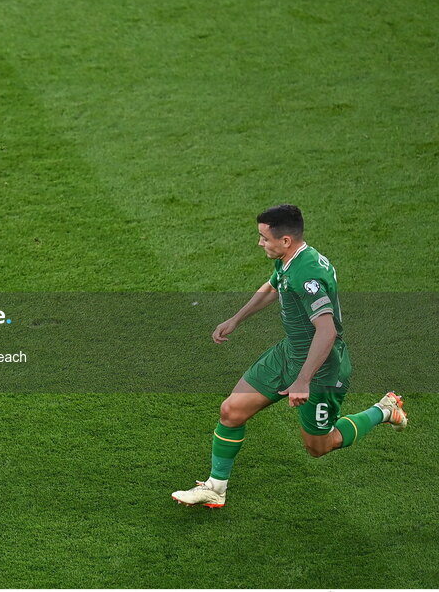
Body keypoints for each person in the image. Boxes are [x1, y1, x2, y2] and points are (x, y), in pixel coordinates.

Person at [172, 204, 408, 508]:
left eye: (264, 238)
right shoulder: (289, 259)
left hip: (322, 369)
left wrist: (302, 379)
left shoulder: (307, 274)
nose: (260, 243)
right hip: (289, 353)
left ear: (285, 240)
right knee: (231, 411)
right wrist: (236, 319)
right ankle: (216, 488)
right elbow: (273, 287)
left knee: (319, 446)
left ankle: (384, 409)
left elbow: (326, 331)